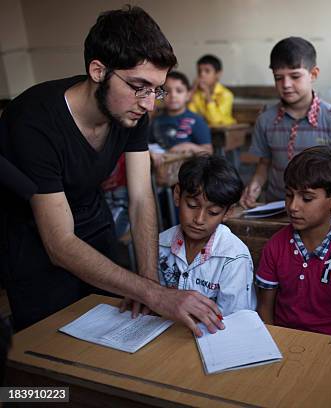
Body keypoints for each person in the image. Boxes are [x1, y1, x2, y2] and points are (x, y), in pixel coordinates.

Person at [0, 6, 224, 336]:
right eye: (139, 86)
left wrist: (148, 282)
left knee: (114, 339)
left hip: (94, 224)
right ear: (98, 70)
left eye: (156, 89)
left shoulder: (132, 112)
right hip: (34, 246)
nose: (150, 103)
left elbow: (140, 198)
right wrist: (155, 294)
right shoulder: (33, 122)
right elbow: (59, 243)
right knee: (50, 353)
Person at [255, 146, 331, 341]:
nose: (293, 206)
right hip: (281, 343)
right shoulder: (275, 246)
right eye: (289, 195)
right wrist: (272, 343)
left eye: (307, 198)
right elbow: (265, 309)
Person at [240, 37, 331, 207]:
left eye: (295, 76)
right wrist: (255, 185)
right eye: (278, 78)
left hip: (324, 215)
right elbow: (264, 164)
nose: (286, 84)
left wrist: (322, 192)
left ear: (313, 74)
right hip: (278, 209)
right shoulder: (266, 119)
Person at [158, 155, 256, 315]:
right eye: (192, 205)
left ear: (227, 212)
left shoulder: (234, 258)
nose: (199, 219)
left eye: (213, 212)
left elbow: (234, 322)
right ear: (177, 195)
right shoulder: (161, 244)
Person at [150, 70, 212, 168]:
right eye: (167, 91)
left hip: (187, 172)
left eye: (179, 91)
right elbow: (147, 144)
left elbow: (209, 151)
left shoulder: (196, 120)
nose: (173, 95)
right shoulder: (156, 120)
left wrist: (191, 147)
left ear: (188, 95)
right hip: (160, 172)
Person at [187, 54, 236, 126]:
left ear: (218, 74)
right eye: (199, 71)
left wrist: (208, 96)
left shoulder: (226, 95)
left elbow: (215, 120)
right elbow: (189, 116)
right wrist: (193, 90)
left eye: (207, 71)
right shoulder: (197, 94)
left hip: (223, 132)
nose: (202, 74)